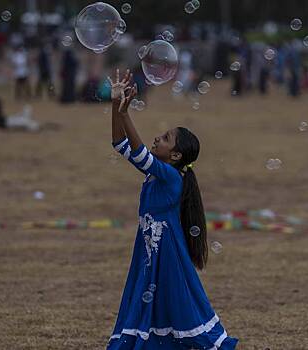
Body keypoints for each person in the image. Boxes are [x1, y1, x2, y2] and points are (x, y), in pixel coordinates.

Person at [106, 69, 239, 349]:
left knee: (173, 303)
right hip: (150, 248)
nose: (158, 138)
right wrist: (115, 105)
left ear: (176, 156)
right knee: (152, 299)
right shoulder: (158, 173)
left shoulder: (169, 176)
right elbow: (120, 144)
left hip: (165, 252)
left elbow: (139, 152)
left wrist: (126, 112)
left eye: (165, 138)